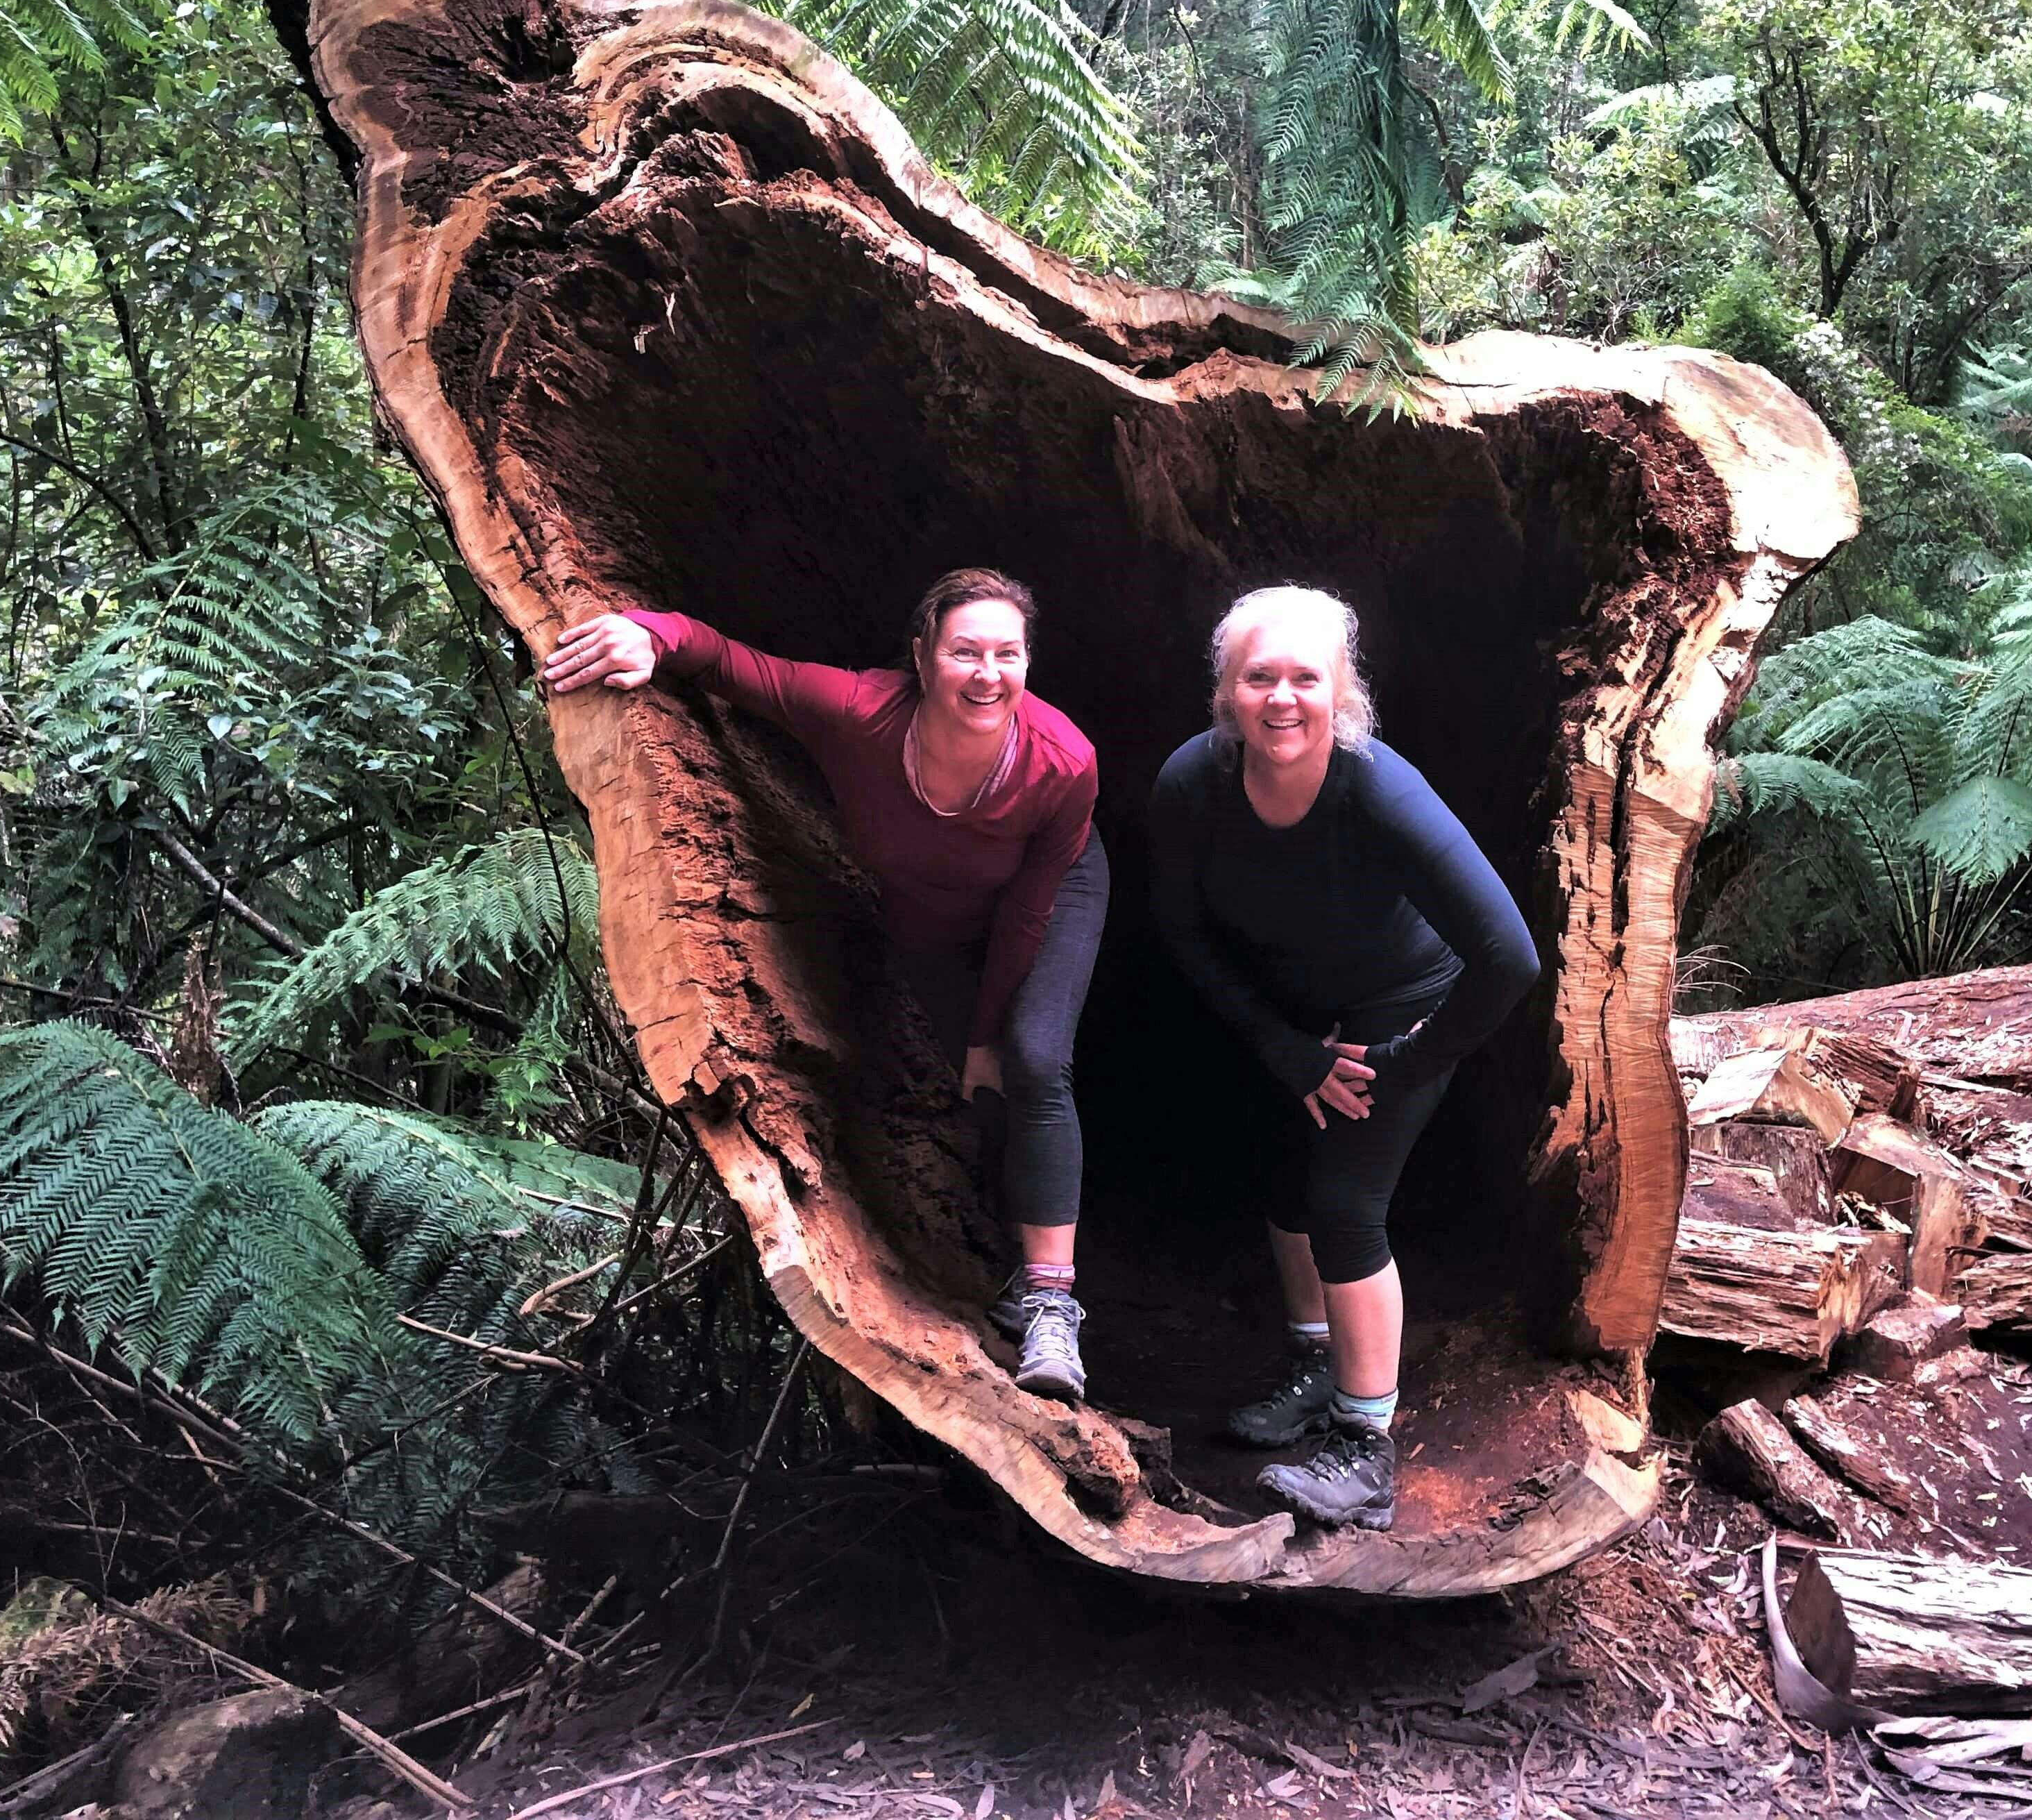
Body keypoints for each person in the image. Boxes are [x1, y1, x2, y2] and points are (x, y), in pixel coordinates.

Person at [545, 571, 1104, 1402]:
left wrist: (990, 1032)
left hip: (1050, 897)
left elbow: (1027, 912)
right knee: (963, 1084)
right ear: (921, 656)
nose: (988, 674)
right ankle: (997, 1254)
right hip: (933, 919)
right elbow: (737, 665)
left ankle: (1054, 1304)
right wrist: (651, 635)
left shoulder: (1062, 762)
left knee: (1030, 1058)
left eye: (1008, 654)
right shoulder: (860, 712)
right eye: (965, 653)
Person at [1148, 586, 1538, 1531]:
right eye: (1260, 678)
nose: (1283, 698)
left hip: (1400, 1011)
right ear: (1228, 693)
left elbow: (1509, 958)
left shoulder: (1378, 790)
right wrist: (1284, 1049)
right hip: (1291, 1011)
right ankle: (1319, 1367)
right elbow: (1181, 931)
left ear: (1342, 692)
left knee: (1344, 1205)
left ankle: (1366, 1449)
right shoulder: (1191, 785)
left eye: (1305, 678)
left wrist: (1404, 1061)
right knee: (1284, 1182)